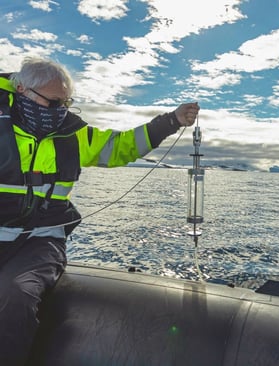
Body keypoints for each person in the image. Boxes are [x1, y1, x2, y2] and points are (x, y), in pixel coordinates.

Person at [0, 57, 200, 365]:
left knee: (15, 294)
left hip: (40, 242)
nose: (60, 110)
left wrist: (170, 121)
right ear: (22, 90)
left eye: (65, 103)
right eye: (53, 102)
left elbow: (121, 146)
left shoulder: (74, 135)